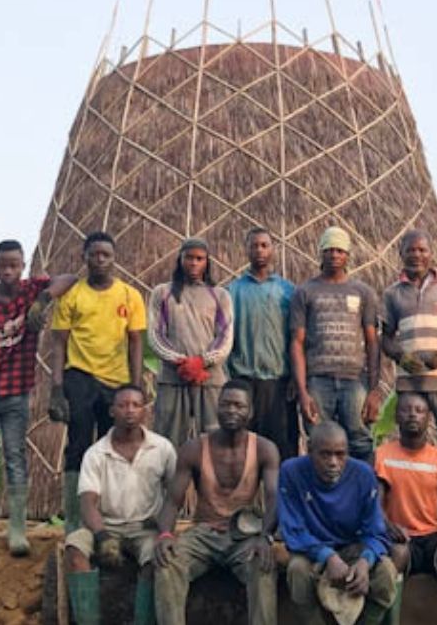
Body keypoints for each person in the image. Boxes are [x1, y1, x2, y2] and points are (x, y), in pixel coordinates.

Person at [0, 239, 74, 556]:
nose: (8, 270)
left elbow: (69, 279)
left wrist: (43, 300)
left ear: (23, 267)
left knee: (15, 457)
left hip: (14, 392)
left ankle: (17, 531)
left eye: (14, 265)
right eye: (2, 265)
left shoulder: (31, 290)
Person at [152, 379, 281, 625]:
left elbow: (274, 497)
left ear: (250, 411)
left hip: (244, 536)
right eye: (225, 405)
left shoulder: (265, 449)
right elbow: (171, 501)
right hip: (203, 534)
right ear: (216, 407)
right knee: (168, 563)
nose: (231, 411)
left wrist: (265, 537)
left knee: (263, 566)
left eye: (238, 406)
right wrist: (165, 535)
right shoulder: (193, 449)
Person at [48, 231, 147, 530]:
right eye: (94, 255)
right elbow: (59, 344)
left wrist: (136, 385)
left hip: (116, 381)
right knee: (78, 443)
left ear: (114, 260)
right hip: (80, 376)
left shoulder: (130, 296)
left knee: (112, 445)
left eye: (106, 255)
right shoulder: (73, 296)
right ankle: (75, 521)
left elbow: (135, 344)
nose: (100, 260)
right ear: (84, 258)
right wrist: (56, 388)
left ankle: (108, 515)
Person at [64, 385, 177, 625]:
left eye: (136, 405)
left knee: (156, 561)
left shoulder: (163, 448)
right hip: (105, 526)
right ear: (112, 411)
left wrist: (161, 523)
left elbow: (175, 495)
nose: (130, 410)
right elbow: (87, 502)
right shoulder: (95, 453)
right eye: (123, 405)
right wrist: (102, 535)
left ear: (146, 411)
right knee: (74, 549)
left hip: (145, 527)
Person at [280, 421, 396, 625]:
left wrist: (365, 561)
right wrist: (328, 557)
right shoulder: (292, 472)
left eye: (340, 454)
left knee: (386, 572)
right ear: (309, 450)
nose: (333, 462)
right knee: (297, 570)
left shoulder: (363, 474)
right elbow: (293, 530)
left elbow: (376, 531)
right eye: (325, 454)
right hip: (313, 551)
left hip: (353, 548)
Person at [376, 392, 437, 625]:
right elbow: (375, 505)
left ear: (429, 418)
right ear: (397, 417)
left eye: (419, 410)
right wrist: (388, 526)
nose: (413, 414)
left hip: (433, 538)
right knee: (396, 555)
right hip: (400, 537)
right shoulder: (382, 457)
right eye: (406, 410)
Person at [290, 226, 383, 463]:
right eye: (329, 250)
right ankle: (322, 498)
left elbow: (373, 343)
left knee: (360, 439)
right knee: (319, 440)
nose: (334, 255)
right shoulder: (305, 292)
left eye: (340, 250)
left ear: (348, 255)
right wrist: (303, 391)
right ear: (320, 253)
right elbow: (297, 343)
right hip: (317, 380)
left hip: (354, 380)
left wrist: (373, 389)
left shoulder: (363, 292)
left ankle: (362, 496)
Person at [380, 229, 437, 456]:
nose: (416, 255)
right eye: (410, 250)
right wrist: (402, 357)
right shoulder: (392, 294)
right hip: (410, 383)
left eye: (422, 250)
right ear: (401, 253)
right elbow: (386, 338)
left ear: (431, 254)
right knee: (411, 446)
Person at [148, 237, 235, 447]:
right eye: (189, 258)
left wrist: (202, 362)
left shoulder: (219, 295)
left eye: (199, 258)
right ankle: (170, 481)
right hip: (173, 378)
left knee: (215, 440)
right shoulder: (162, 293)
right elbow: (155, 334)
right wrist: (181, 362)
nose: (194, 263)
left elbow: (225, 336)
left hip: (210, 379)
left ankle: (210, 481)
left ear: (207, 262)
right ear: (180, 260)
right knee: (168, 440)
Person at [227, 227, 299, 460]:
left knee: (283, 448)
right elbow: (225, 336)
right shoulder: (232, 291)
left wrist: (295, 378)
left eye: (264, 245)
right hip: (244, 380)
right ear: (246, 250)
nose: (259, 250)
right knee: (243, 449)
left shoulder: (288, 291)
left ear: (273, 250)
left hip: (279, 382)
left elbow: (298, 337)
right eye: (254, 245)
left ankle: (282, 496)